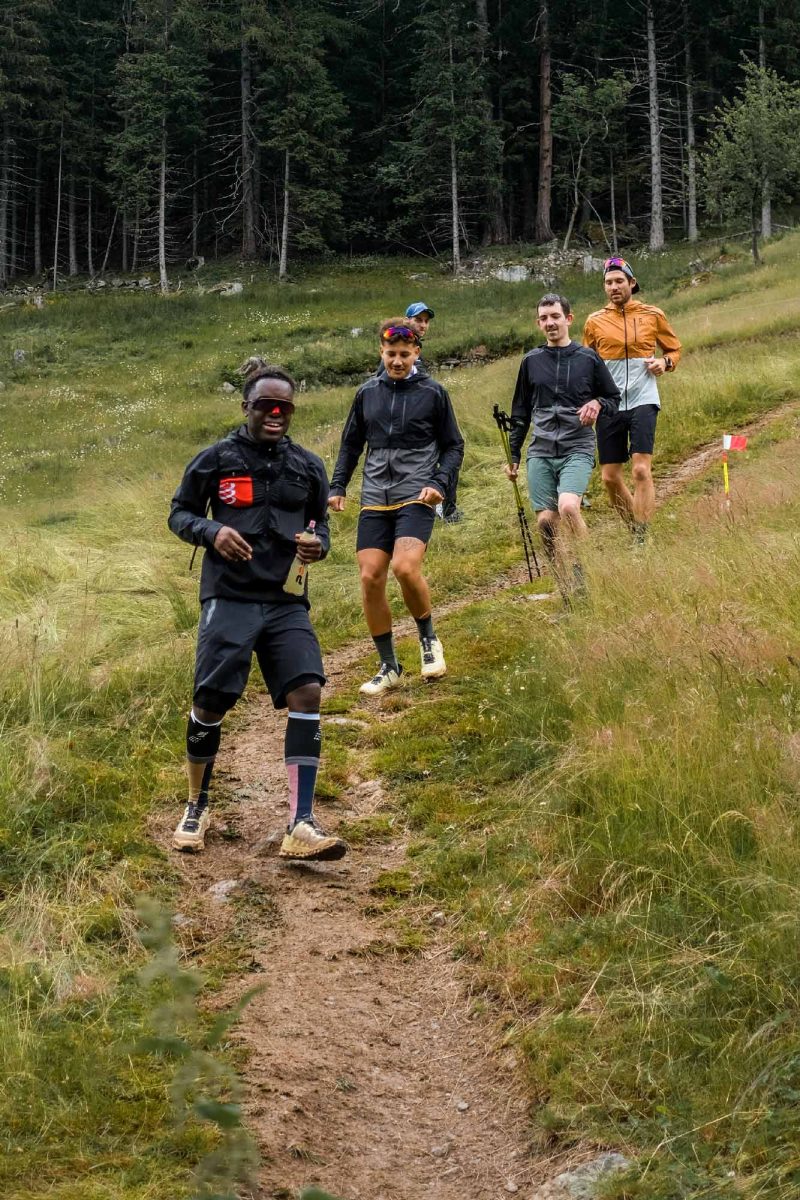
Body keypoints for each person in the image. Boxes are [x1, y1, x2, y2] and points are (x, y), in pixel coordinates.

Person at [168, 364, 346, 862]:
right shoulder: (215, 460)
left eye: (284, 407)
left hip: (286, 601)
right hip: (229, 597)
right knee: (212, 698)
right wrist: (212, 533)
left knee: (307, 687)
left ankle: (301, 822)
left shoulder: (309, 466)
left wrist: (319, 546)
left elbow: (321, 525)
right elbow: (179, 514)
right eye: (265, 405)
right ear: (246, 407)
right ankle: (196, 804)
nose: (275, 413)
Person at [329, 318, 464, 696]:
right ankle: (388, 665)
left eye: (405, 354)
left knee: (405, 568)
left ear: (417, 352)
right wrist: (337, 485)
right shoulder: (366, 393)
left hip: (416, 493)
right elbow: (351, 444)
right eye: (391, 355)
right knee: (370, 576)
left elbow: (454, 446)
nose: (397, 361)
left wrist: (439, 483)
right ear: (381, 352)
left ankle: (429, 641)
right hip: (375, 496)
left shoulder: (433, 393)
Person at [506, 293, 620, 594]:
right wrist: (513, 453)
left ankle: (584, 575)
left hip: (577, 446)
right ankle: (565, 587)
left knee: (569, 507)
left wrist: (597, 403)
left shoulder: (588, 358)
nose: (549, 323)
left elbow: (613, 398)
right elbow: (519, 411)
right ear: (538, 323)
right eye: (544, 318)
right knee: (545, 523)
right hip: (541, 450)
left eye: (555, 316)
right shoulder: (530, 362)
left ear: (568, 319)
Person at [582, 256, 682, 541]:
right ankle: (636, 528)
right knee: (610, 478)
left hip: (643, 398)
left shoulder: (653, 315)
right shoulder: (594, 321)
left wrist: (665, 363)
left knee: (640, 470)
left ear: (632, 283)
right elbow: (585, 363)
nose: (614, 287)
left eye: (619, 281)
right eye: (608, 283)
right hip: (610, 404)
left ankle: (642, 537)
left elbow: (674, 350)